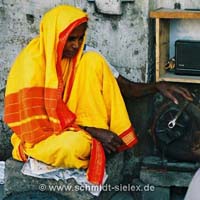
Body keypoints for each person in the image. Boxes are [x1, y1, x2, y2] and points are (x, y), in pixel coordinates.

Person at [4, 5, 192, 185]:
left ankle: (97, 142)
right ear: (55, 36)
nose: (76, 45)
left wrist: (157, 87)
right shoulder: (32, 64)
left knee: (94, 61)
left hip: (78, 127)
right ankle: (93, 142)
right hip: (44, 136)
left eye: (80, 38)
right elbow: (37, 124)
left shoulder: (85, 56)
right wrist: (92, 132)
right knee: (75, 147)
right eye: (70, 39)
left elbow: (126, 88)